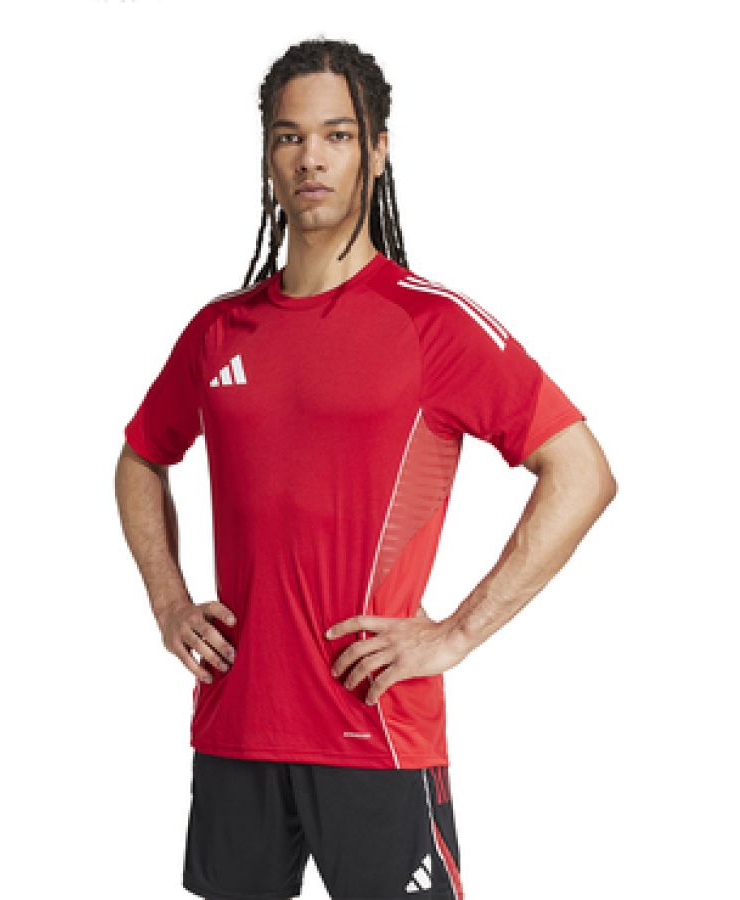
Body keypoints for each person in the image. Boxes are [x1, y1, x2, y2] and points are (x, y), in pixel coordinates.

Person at [114, 37, 616, 900]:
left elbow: (581, 472)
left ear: (378, 152)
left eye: (337, 136)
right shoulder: (218, 331)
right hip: (234, 730)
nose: (311, 158)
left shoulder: (432, 325)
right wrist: (169, 602)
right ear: (268, 155)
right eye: (290, 136)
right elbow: (140, 458)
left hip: (375, 730)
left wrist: (455, 633)